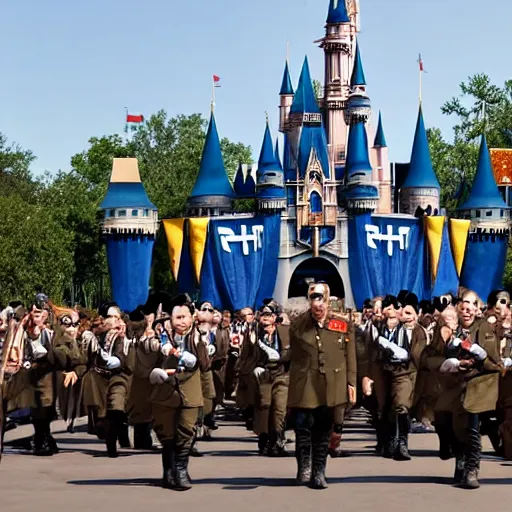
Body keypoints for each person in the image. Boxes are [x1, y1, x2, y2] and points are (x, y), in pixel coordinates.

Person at [288, 282, 357, 489]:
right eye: (313, 302)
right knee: (302, 426)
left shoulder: (342, 324)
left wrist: (351, 383)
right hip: (306, 384)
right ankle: (304, 466)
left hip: (332, 384)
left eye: (321, 303)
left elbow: (350, 357)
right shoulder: (299, 324)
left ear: (328, 301)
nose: (318, 308)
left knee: (323, 428)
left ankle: (319, 472)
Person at [150, 294, 209, 491]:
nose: (181, 321)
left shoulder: (198, 337)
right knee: (167, 434)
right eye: (178, 317)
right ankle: (168, 471)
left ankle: (181, 470)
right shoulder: (160, 336)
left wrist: (201, 346)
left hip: (189, 391)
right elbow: (148, 357)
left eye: (185, 317)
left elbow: (206, 365)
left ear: (192, 317)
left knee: (186, 430)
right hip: (165, 392)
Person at [82, 302, 132, 458]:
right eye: (112, 317)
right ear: (103, 318)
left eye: (118, 317)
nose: (116, 320)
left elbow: (123, 358)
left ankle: (114, 438)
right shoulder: (94, 334)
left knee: (116, 407)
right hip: (99, 377)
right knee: (102, 418)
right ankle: (109, 436)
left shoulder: (124, 335)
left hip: (118, 376)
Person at [252, 301, 290, 456]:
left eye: (269, 315)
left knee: (280, 408)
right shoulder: (254, 333)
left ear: (275, 317)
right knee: (265, 407)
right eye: (263, 315)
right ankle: (265, 439)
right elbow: (248, 355)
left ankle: (278, 440)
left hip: (282, 373)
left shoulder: (284, 332)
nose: (265, 318)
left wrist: (283, 358)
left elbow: (294, 351)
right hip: (264, 374)